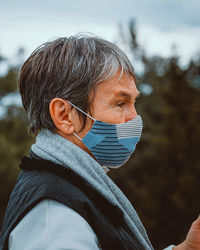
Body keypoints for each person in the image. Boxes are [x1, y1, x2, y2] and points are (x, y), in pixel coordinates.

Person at [0, 35, 200, 250]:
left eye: (133, 102)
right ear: (64, 115)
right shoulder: (56, 216)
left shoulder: (69, 186)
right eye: (120, 103)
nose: (135, 117)